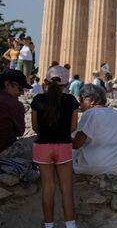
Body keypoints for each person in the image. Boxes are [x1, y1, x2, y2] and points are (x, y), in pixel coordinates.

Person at [31, 65, 79, 228]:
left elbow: (35, 127)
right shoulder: (71, 100)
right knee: (66, 188)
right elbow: (73, 127)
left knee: (48, 187)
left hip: (42, 146)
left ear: (45, 82)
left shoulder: (37, 100)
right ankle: (71, 225)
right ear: (66, 85)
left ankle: (49, 225)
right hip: (64, 145)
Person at [72, 84, 117, 175]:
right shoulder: (115, 113)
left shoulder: (90, 113)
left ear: (92, 100)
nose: (80, 105)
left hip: (95, 165)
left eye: (81, 100)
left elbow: (76, 144)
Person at [0, 69, 30, 154]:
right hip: (4, 152)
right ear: (7, 84)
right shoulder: (15, 104)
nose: (21, 93)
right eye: (20, 89)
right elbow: (20, 131)